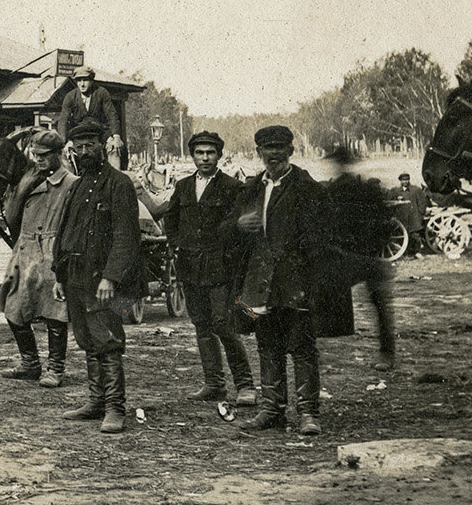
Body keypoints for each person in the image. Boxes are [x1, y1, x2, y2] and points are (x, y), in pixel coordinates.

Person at [150, 131, 257, 403]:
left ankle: (245, 386)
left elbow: (238, 227)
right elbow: (171, 218)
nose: (205, 158)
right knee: (201, 324)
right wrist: (175, 244)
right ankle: (214, 384)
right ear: (192, 155)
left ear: (219, 155)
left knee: (223, 324)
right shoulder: (184, 186)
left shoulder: (232, 187)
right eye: (199, 152)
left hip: (220, 267)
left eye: (210, 152)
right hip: (190, 266)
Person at [51, 121, 144, 433]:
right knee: (87, 340)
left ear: (103, 146)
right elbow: (64, 232)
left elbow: (125, 237)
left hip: (101, 280)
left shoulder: (119, 184)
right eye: (78, 146)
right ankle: (96, 401)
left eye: (89, 144)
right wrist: (58, 276)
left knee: (108, 341)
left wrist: (111, 278)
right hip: (75, 276)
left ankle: (116, 408)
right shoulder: (77, 185)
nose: (83, 151)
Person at [236, 125, 326, 435]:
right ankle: (271, 409)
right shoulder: (251, 189)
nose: (273, 154)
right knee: (267, 345)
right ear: (258, 153)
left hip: (294, 281)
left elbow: (320, 239)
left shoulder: (307, 188)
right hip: (261, 282)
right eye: (267, 149)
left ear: (291, 151)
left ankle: (308, 413)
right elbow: (227, 230)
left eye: (280, 148)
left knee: (301, 346)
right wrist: (239, 224)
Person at [0, 130, 75, 387]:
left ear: (58, 154)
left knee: (55, 313)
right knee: (13, 307)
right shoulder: (29, 180)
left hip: (51, 251)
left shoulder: (70, 184)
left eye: (44, 156)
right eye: (35, 155)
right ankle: (30, 363)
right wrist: (21, 190)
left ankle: (55, 368)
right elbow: (11, 220)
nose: (39, 160)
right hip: (25, 249)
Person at [321, 146, 398, 370]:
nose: (337, 167)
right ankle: (387, 354)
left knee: (378, 305)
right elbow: (387, 223)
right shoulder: (366, 188)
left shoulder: (333, 191)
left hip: (354, 257)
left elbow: (383, 223)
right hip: (367, 257)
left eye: (338, 163)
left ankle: (386, 354)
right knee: (380, 306)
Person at [56, 67, 122, 152]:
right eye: (79, 81)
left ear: (91, 80)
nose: (82, 84)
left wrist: (116, 136)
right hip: (77, 133)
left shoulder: (101, 93)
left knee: (116, 150)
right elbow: (63, 119)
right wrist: (64, 141)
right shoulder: (70, 96)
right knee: (66, 154)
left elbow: (111, 115)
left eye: (85, 80)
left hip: (99, 131)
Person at [393, 172, 429, 255]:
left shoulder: (415, 190)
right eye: (403, 180)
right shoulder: (397, 191)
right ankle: (405, 252)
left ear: (409, 180)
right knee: (403, 234)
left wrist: (420, 214)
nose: (405, 182)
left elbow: (422, 202)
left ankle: (417, 252)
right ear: (400, 181)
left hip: (414, 216)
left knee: (415, 235)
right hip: (402, 216)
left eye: (406, 180)